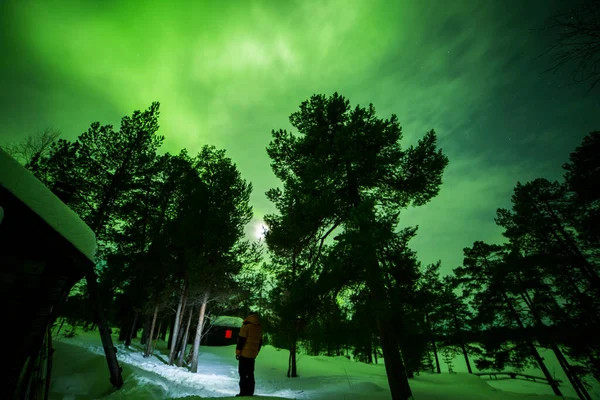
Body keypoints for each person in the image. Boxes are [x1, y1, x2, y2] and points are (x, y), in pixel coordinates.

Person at [235, 313, 263, 397]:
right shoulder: (259, 327)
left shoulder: (246, 326)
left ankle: (243, 392)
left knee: (242, 373)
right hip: (252, 355)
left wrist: (238, 351)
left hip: (244, 354)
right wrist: (256, 352)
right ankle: (250, 392)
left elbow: (241, 340)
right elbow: (260, 342)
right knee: (250, 373)